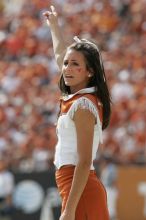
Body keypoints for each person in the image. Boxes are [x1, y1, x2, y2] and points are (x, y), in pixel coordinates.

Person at [43, 5, 111, 220]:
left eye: (75, 65)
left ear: (89, 72)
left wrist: (69, 210)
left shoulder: (83, 105)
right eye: (66, 64)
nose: (67, 69)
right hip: (74, 187)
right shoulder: (78, 98)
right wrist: (54, 26)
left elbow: (83, 162)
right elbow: (59, 54)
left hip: (81, 190)